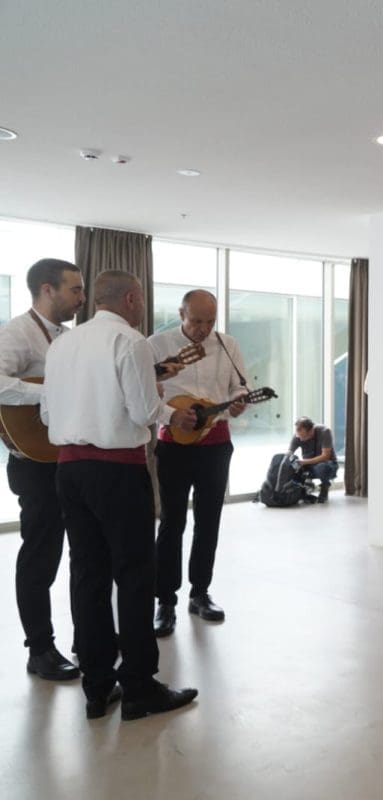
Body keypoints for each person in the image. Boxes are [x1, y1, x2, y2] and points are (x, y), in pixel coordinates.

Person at [41, 270, 199, 721]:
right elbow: (143, 410)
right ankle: (139, 687)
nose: (142, 306)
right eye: (142, 299)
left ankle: (96, 686)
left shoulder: (61, 344)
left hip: (69, 470)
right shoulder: (131, 342)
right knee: (133, 577)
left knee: (87, 575)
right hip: (117, 470)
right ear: (131, 298)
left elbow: (48, 412)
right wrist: (168, 410)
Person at [0, 258, 85, 681]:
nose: (81, 298)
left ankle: (88, 636)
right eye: (75, 289)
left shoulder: (70, 339)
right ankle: (40, 648)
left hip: (69, 455)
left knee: (84, 550)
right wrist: (49, 393)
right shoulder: (17, 333)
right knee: (41, 555)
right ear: (47, 289)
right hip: (33, 463)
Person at [148, 289, 248, 637]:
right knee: (171, 522)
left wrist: (239, 401)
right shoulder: (157, 344)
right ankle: (164, 600)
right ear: (181, 314)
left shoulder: (228, 345)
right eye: (196, 321)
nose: (204, 329)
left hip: (216, 445)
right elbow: (144, 392)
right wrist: (172, 414)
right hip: (173, 444)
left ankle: (200, 593)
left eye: (210, 321)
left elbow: (239, 387)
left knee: (209, 521)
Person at [288, 417, 338, 503]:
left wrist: (303, 462)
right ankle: (300, 489)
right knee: (292, 465)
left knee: (322, 467)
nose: (300, 439)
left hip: (327, 464)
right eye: (299, 436)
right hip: (308, 464)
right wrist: (288, 460)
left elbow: (325, 456)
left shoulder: (325, 432)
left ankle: (325, 486)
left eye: (303, 437)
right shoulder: (298, 434)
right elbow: (289, 452)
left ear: (311, 431)